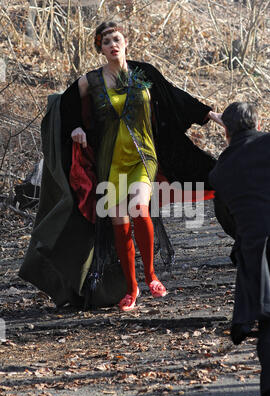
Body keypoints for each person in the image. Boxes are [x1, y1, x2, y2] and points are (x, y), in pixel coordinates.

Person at [19, 21, 221, 312]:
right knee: (118, 219)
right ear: (100, 49)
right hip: (109, 159)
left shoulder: (144, 73)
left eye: (116, 39)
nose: (112, 44)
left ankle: (151, 276)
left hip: (143, 155)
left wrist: (211, 114)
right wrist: (76, 128)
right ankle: (131, 289)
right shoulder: (91, 81)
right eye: (106, 42)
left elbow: (174, 96)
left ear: (125, 42)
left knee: (138, 207)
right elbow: (66, 107)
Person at [209, 101, 270, 396]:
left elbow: (227, 219)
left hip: (255, 252)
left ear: (226, 133)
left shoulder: (220, 171)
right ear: (258, 124)